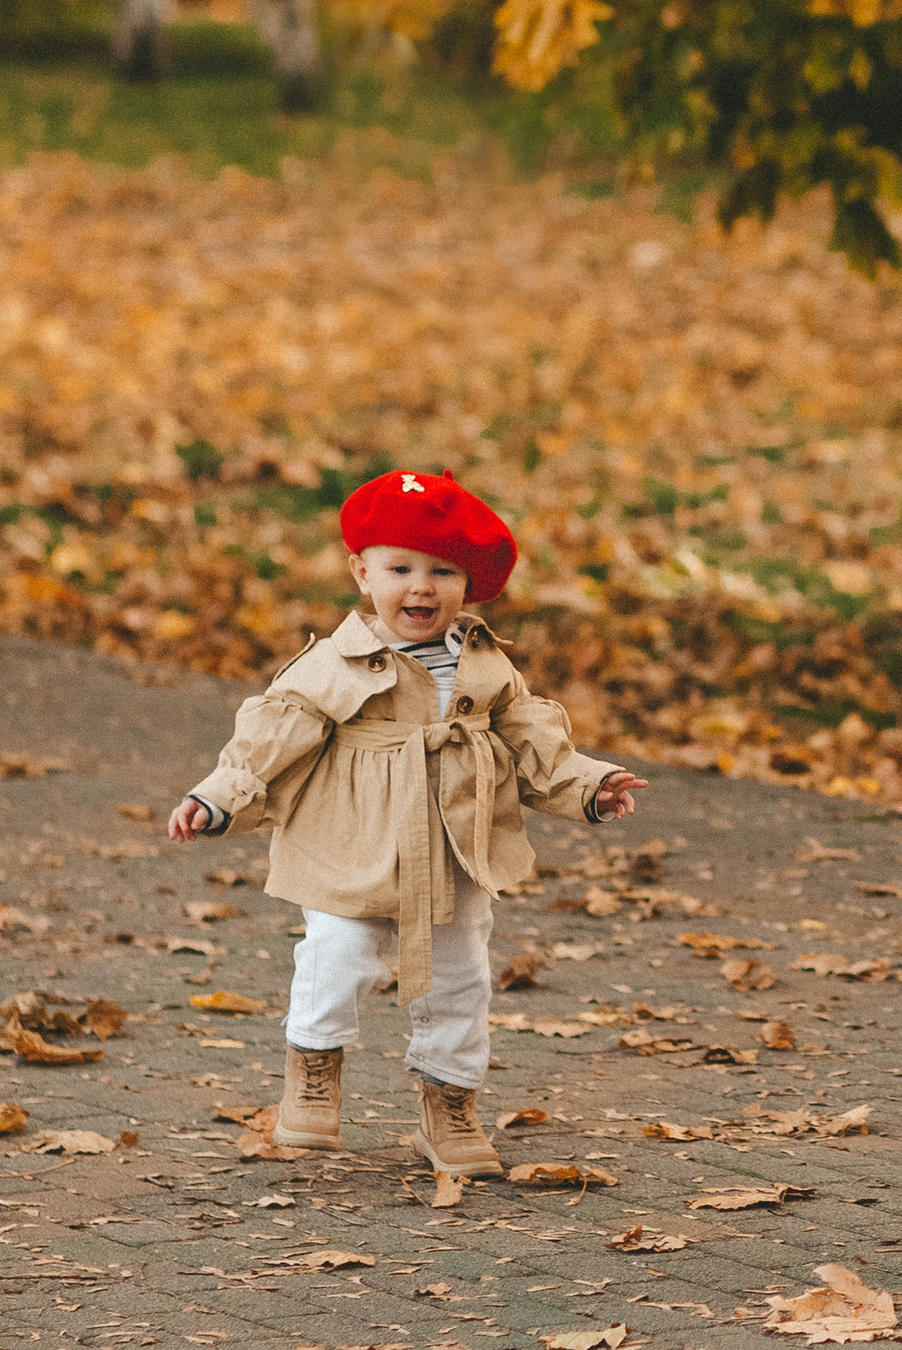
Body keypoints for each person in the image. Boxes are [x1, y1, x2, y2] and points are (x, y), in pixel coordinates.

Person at [167, 468, 642, 1176]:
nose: (421, 587)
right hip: (350, 841)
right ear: (362, 573)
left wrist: (589, 786)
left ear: (468, 583)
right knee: (340, 954)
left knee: (461, 976)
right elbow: (273, 736)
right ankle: (314, 1067)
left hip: (454, 842)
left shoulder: (485, 664)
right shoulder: (335, 663)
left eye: (442, 570)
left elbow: (532, 737)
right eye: (400, 568)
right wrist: (218, 797)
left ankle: (447, 1105)